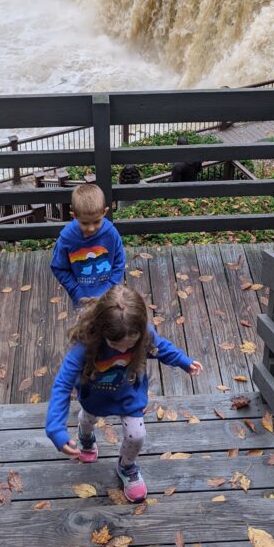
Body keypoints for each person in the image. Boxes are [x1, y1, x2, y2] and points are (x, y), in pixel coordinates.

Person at [45, 286, 204, 501]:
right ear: (101, 331)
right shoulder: (85, 345)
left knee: (137, 435)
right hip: (95, 396)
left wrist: (184, 361)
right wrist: (55, 428)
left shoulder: (143, 335)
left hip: (129, 393)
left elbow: (161, 348)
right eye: (114, 345)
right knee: (87, 419)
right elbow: (63, 384)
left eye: (130, 345)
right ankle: (86, 439)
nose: (122, 351)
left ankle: (126, 466)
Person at [51, 183, 125, 307]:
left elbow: (119, 261)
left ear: (104, 212)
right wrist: (76, 291)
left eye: (96, 222)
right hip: (82, 298)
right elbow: (59, 267)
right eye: (84, 223)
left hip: (110, 295)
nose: (91, 228)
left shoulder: (111, 233)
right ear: (74, 216)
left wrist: (110, 288)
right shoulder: (67, 238)